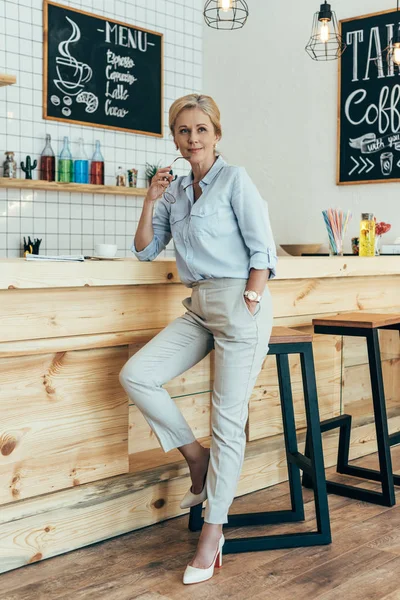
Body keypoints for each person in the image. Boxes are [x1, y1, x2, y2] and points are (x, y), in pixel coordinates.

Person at [119, 93, 277, 585]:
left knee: (226, 420)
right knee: (137, 375)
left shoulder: (235, 179)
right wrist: (150, 198)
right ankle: (196, 458)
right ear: (174, 138)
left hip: (238, 305)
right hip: (198, 306)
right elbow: (145, 251)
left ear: (216, 134)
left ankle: (213, 532)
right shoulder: (175, 191)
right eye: (183, 131)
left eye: (201, 130)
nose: (192, 139)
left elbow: (263, 251)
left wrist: (249, 302)